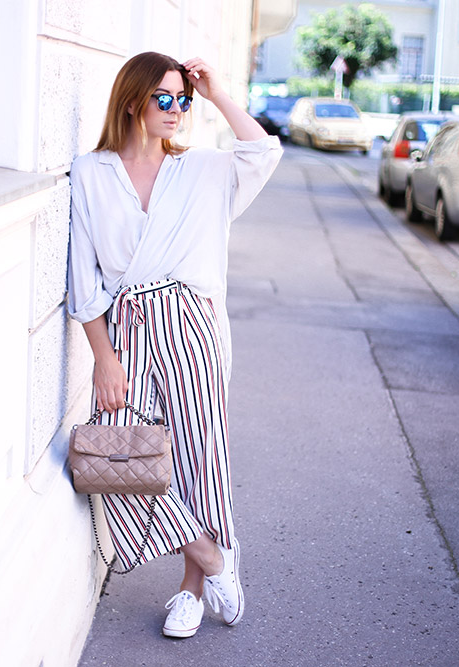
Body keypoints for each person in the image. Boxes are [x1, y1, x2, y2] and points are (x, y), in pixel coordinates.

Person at [67, 51, 282, 638]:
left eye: (182, 100)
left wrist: (215, 92)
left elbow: (263, 152)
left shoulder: (202, 171)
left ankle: (190, 589)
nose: (176, 110)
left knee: (198, 461)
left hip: (191, 321)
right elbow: (83, 277)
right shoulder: (91, 172)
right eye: (164, 98)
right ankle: (215, 558)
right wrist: (102, 355)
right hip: (127, 327)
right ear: (133, 99)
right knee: (120, 460)